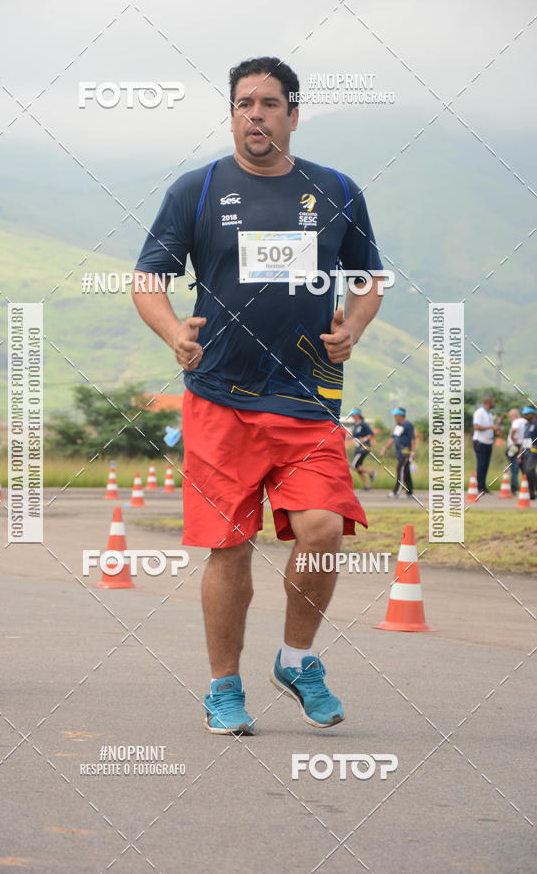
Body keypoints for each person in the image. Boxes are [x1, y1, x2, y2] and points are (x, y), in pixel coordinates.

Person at [132, 56, 385, 735]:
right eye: (245, 102)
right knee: (230, 547)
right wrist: (172, 334)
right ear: (233, 113)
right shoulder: (199, 188)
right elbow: (146, 279)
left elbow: (368, 279)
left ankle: (297, 659)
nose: (256, 114)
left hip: (307, 401)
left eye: (270, 103)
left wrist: (352, 330)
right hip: (219, 399)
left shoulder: (335, 190)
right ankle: (223, 688)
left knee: (324, 528)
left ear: (293, 116)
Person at [380, 407, 416, 499]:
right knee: (406, 472)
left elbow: (412, 439)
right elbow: (393, 438)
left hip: (406, 453)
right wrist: (384, 448)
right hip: (399, 453)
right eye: (394, 416)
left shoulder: (408, 425)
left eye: (396, 415)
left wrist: (413, 452)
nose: (394, 417)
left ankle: (396, 492)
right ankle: (410, 492)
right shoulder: (397, 426)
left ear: (401, 416)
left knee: (400, 470)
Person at [472, 395, 502, 493]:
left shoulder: (489, 414)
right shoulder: (479, 412)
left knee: (485, 465)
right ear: (488, 402)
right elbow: (476, 427)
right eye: (493, 401)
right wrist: (491, 427)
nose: (494, 403)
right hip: (480, 442)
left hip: (488, 442)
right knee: (481, 464)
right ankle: (479, 486)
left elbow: (491, 427)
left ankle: (483, 486)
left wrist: (496, 427)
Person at [345, 409, 376, 490]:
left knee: (354, 466)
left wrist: (364, 439)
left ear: (358, 415)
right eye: (352, 414)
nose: (352, 416)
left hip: (364, 447)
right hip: (358, 448)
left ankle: (371, 472)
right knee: (358, 468)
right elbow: (354, 435)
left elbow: (371, 434)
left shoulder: (363, 424)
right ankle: (367, 486)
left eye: (354, 414)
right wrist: (348, 437)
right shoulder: (353, 425)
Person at [506, 408, 526, 495]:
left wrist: (512, 437)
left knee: (514, 469)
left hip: (515, 447)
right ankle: (528, 488)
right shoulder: (525, 421)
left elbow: (514, 429)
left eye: (510, 417)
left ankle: (513, 489)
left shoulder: (516, 421)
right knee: (524, 469)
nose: (510, 419)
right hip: (524, 446)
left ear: (515, 415)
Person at [520, 406, 537, 500]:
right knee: (527, 473)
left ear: (532, 414)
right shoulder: (526, 425)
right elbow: (524, 439)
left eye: (527, 414)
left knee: (530, 470)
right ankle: (531, 494)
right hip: (526, 452)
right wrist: (520, 453)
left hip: (534, 452)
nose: (525, 415)